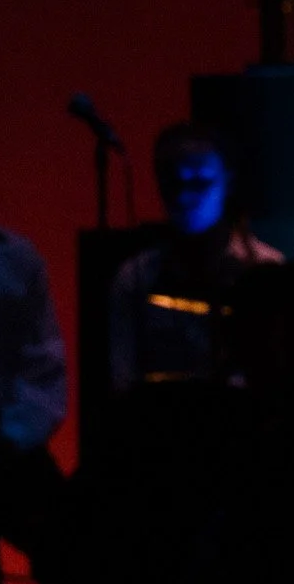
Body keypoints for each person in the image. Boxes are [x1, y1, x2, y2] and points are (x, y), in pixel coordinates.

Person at [0, 106, 68, 584]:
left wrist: (8, 440)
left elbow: (42, 367)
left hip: (4, 444)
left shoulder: (13, 258)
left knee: (75, 549)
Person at [108, 124, 281, 393]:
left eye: (199, 183)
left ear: (228, 182)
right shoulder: (135, 278)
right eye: (173, 184)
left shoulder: (266, 269)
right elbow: (123, 382)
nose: (184, 197)